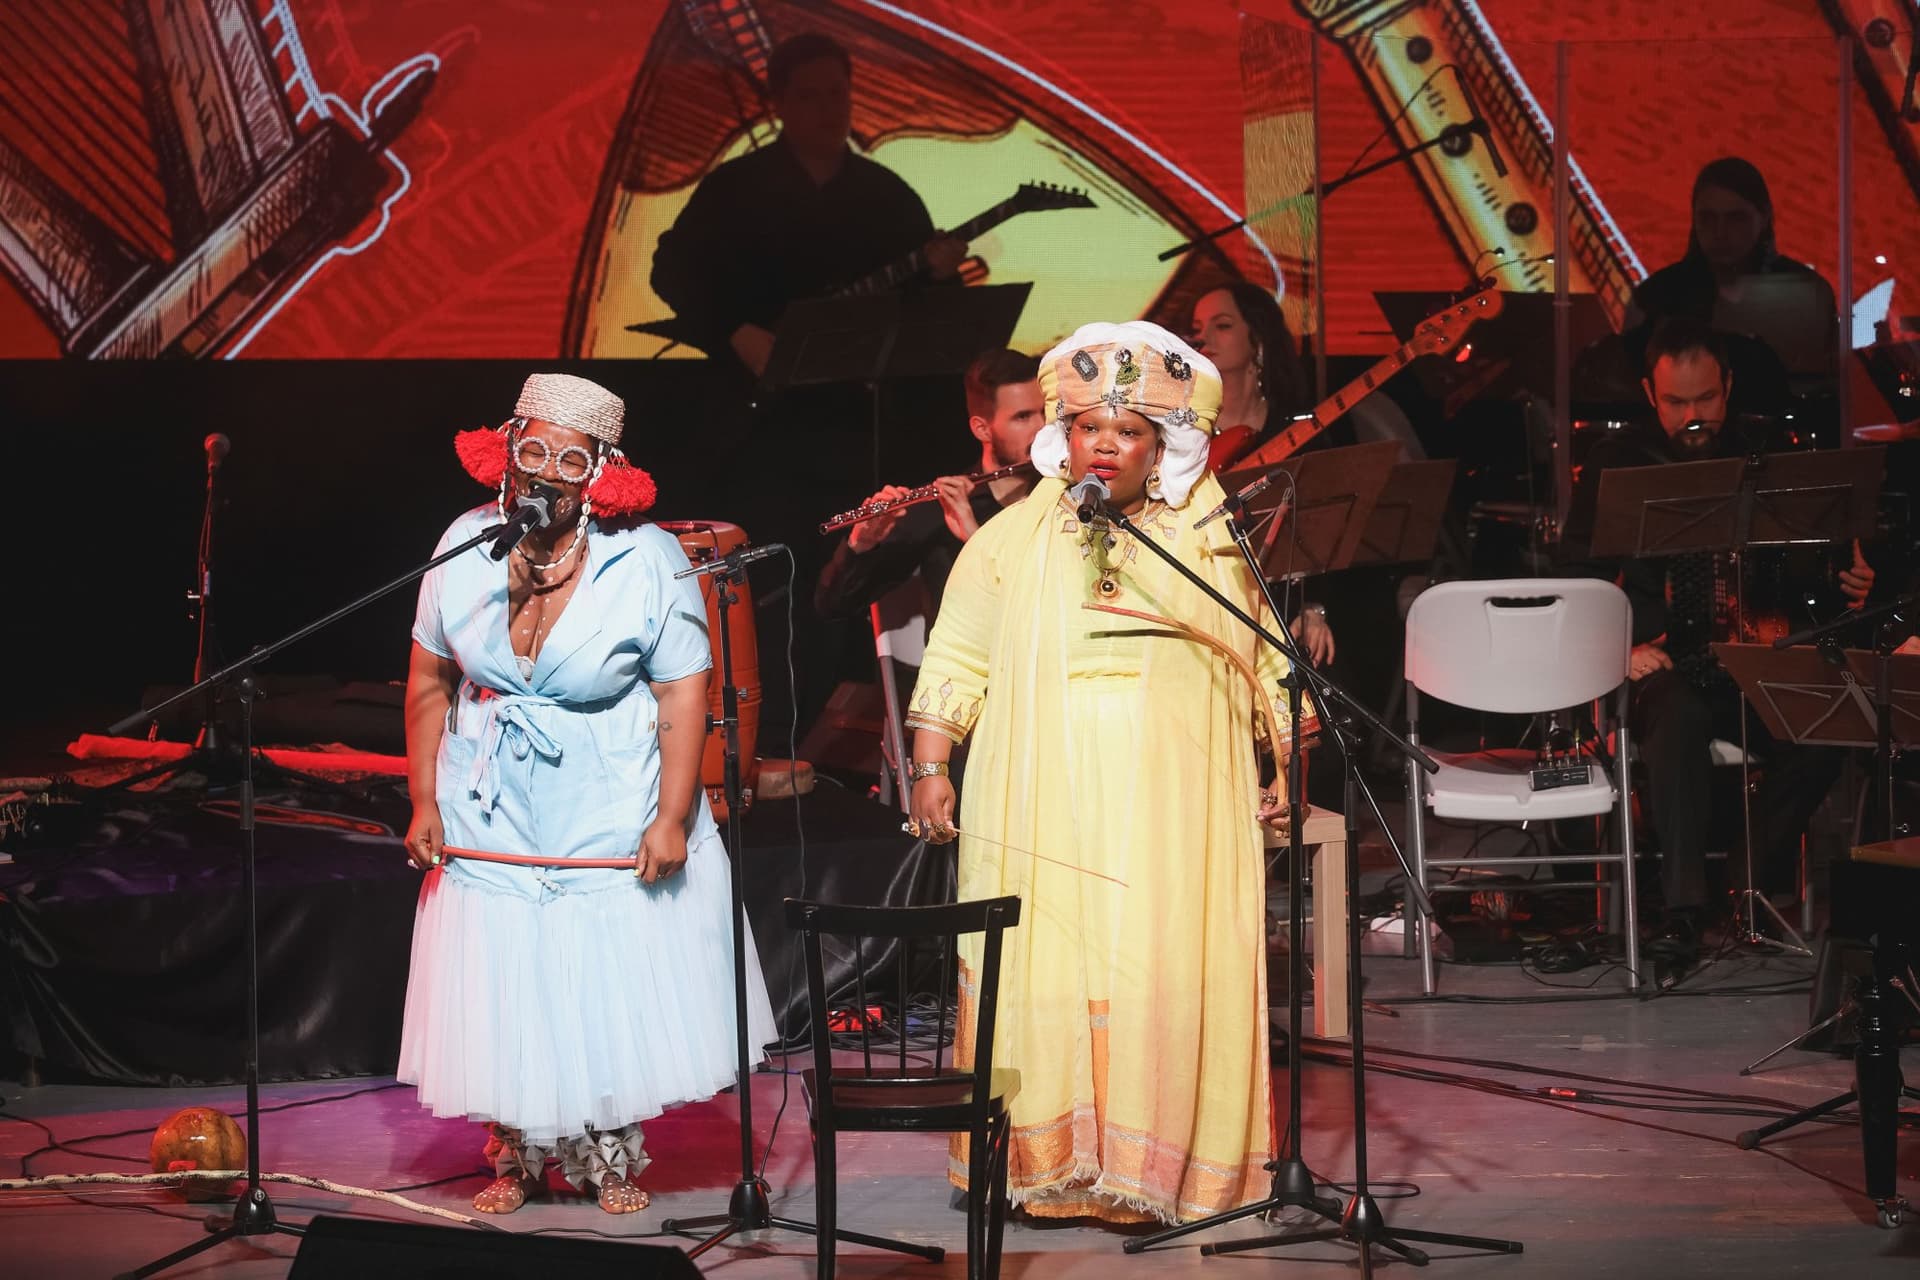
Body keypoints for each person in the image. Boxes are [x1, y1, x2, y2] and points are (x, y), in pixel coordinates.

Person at [903, 321, 1311, 1225]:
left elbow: (1262, 658)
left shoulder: (1204, 537)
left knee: (1158, 970)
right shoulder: (1011, 539)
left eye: (1128, 431)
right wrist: (932, 764)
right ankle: (1047, 1169)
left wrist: (1287, 759)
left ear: (1161, 446)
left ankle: (1156, 1173)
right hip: (1039, 795)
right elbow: (958, 651)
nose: (1106, 445)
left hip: (1173, 800)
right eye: (1091, 427)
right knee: (1047, 970)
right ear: (1068, 434)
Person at [398, 374, 777, 1214]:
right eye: (532, 450)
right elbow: (428, 678)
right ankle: (516, 1157)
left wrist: (672, 816)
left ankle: (609, 1160)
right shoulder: (463, 543)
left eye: (569, 460)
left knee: (596, 975)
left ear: (601, 472)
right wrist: (425, 800)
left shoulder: (645, 558)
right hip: (490, 800)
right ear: (506, 451)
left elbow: (683, 689)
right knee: (503, 972)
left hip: (605, 797)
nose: (546, 473)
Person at [1561, 320, 1870, 955]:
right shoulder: (1619, 463)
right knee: (1677, 717)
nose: (1693, 415)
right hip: (1662, 662)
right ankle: (1683, 907)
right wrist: (1618, 651)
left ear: (1728, 386)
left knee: (1829, 726)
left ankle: (1743, 880)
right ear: (1650, 394)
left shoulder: (1770, 452)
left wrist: (1856, 577)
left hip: (1756, 655)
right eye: (1676, 402)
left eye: (1705, 398)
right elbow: (1575, 582)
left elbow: (1820, 562)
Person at [650, 32, 965, 378]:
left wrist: (943, 276)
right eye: (809, 96)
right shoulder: (733, 187)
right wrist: (735, 331)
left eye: (837, 93)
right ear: (779, 104)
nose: (828, 109)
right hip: (745, 386)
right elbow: (672, 270)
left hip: (861, 391)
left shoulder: (890, 196)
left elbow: (931, 318)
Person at [814, 348, 1044, 624]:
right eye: (1023, 417)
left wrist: (975, 538)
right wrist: (861, 545)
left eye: (1045, 412)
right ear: (982, 429)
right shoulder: (938, 510)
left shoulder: (1067, 497)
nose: (1042, 427)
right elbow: (833, 605)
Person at [1189, 283, 1337, 667]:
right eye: (1198, 328)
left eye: (1222, 325)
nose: (1203, 338)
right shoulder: (1183, 433)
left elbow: (1326, 535)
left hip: (1284, 605)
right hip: (1204, 603)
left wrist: (1315, 608)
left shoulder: (1299, 430)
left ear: (1258, 340)